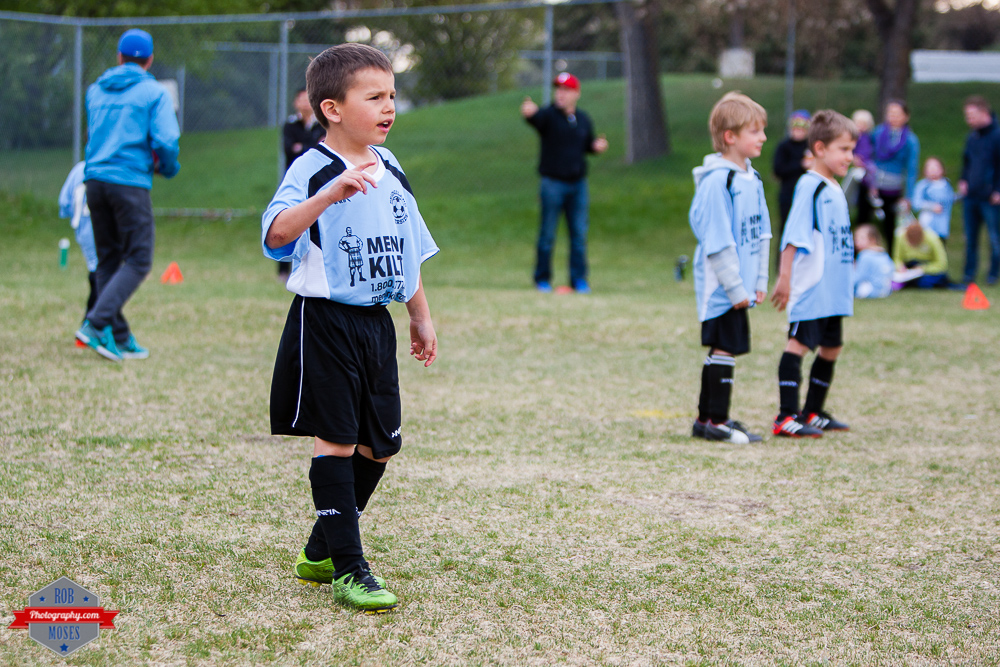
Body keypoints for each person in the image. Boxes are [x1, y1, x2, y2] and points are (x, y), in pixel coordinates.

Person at [261, 44, 439, 614]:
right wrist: (327, 195)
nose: (389, 107)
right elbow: (275, 235)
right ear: (333, 108)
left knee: (380, 446)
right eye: (375, 97)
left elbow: (406, 250)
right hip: (327, 320)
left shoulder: (394, 170)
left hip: (376, 323)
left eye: (392, 96)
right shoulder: (312, 167)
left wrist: (419, 314)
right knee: (336, 438)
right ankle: (348, 568)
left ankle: (320, 547)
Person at [75, 29, 180, 362]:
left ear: (119, 57)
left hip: (94, 180)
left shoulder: (95, 91)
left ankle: (117, 337)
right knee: (138, 260)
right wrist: (168, 166)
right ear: (148, 60)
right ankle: (94, 324)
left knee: (108, 259)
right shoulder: (153, 92)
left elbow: (93, 134)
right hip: (129, 183)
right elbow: (166, 140)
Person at [689, 92, 772, 444]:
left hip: (741, 284)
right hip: (722, 285)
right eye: (755, 131)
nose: (763, 137)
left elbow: (763, 233)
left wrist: (760, 279)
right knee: (724, 347)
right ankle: (715, 422)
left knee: (727, 347)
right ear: (730, 137)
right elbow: (718, 242)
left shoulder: (751, 178)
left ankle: (707, 420)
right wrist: (736, 287)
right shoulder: (717, 181)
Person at [771, 110, 857, 438]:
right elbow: (793, 235)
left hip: (835, 286)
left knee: (831, 346)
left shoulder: (833, 186)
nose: (850, 156)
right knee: (798, 344)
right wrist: (785, 277)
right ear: (820, 149)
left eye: (851, 149)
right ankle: (785, 416)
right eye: (844, 149)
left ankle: (813, 411)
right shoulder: (810, 186)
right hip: (813, 285)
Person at [520, 72, 608, 294]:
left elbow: (587, 145)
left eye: (566, 90)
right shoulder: (548, 116)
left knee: (579, 235)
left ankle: (579, 280)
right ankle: (542, 279)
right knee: (547, 234)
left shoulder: (583, 119)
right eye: (558, 89)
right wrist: (529, 114)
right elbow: (535, 119)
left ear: (576, 93)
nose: (560, 94)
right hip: (552, 184)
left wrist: (596, 146)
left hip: (578, 186)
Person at [278, 88, 326, 279]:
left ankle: (313, 269)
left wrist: (302, 147)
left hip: (318, 182)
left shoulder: (323, 125)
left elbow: (322, 150)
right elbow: (289, 150)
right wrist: (310, 146)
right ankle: (283, 270)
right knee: (287, 223)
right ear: (295, 103)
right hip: (296, 182)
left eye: (309, 99)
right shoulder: (290, 125)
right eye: (301, 99)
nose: (305, 103)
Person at [958, 95, 1000, 285]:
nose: (969, 120)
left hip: (991, 198)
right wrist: (963, 180)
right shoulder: (972, 136)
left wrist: (998, 190)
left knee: (994, 239)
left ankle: (993, 275)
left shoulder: (997, 135)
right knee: (970, 239)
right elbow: (966, 162)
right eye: (967, 116)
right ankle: (969, 275)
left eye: (972, 115)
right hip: (971, 196)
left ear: (984, 113)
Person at [871, 100, 919, 255]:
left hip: (894, 189)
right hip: (874, 187)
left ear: (906, 116)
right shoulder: (878, 133)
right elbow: (868, 155)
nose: (893, 117)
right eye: (890, 113)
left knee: (892, 227)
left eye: (897, 114)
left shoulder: (910, 140)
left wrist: (908, 196)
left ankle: (893, 258)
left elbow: (911, 170)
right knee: (869, 224)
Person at [58, 161, 99, 333]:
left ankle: (93, 324)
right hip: (99, 228)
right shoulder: (107, 168)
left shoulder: (78, 169)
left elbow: (64, 203)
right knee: (102, 275)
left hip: (81, 231)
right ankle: (90, 325)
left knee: (96, 270)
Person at [772, 109, 811, 238]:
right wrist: (800, 165)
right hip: (788, 194)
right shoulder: (784, 146)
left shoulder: (810, 146)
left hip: (806, 194)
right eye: (796, 128)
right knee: (786, 229)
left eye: (802, 129)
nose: (798, 132)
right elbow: (778, 170)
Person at [892, 219, 950, 289]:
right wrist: (900, 266)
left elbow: (942, 264)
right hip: (909, 268)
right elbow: (897, 258)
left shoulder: (932, 238)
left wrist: (924, 268)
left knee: (925, 282)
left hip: (927, 268)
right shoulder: (901, 237)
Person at [912, 156, 955, 244]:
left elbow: (950, 199)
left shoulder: (946, 185)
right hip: (926, 226)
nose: (933, 170)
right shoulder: (923, 185)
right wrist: (931, 207)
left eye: (935, 167)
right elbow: (916, 203)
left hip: (942, 227)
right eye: (930, 167)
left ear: (942, 169)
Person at [849, 109, 878, 224]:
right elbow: (851, 150)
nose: (861, 127)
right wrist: (854, 158)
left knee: (872, 171)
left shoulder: (870, 137)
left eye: (863, 124)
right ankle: (872, 191)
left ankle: (873, 191)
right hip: (860, 168)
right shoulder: (854, 137)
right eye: (858, 124)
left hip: (868, 163)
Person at [853, 224, 894, 299]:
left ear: (872, 239)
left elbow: (859, 276)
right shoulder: (884, 254)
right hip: (885, 291)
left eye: (861, 238)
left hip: (871, 291)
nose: (857, 242)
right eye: (856, 239)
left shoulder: (864, 255)